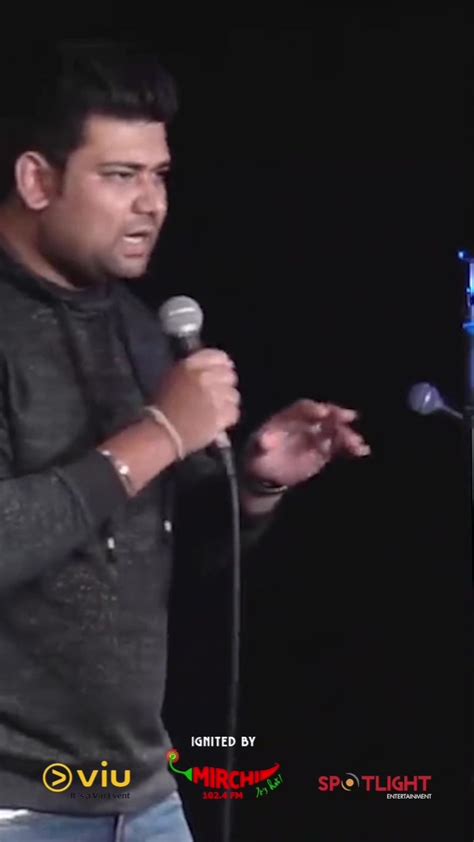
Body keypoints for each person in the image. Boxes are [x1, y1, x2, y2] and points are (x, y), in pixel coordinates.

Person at [0, 40, 370, 842]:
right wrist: (162, 433)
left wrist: (254, 486)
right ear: (36, 180)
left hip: (143, 792)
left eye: (159, 175)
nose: (152, 205)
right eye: (120, 175)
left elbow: (165, 562)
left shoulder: (141, 330)